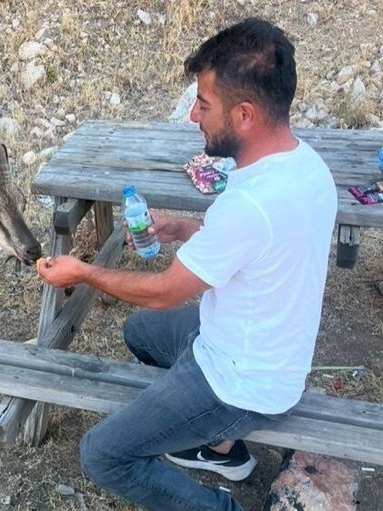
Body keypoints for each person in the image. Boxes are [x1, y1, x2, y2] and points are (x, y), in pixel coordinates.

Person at [37, 17, 338, 511]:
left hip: (240, 383)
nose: (194, 115)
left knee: (103, 454)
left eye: (204, 104)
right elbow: (257, 247)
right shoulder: (306, 166)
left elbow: (166, 291)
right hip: (262, 348)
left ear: (244, 115)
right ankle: (218, 448)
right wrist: (183, 228)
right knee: (139, 331)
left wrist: (85, 272)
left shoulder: (251, 204)